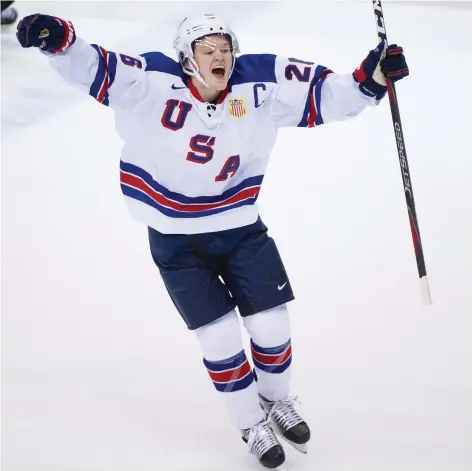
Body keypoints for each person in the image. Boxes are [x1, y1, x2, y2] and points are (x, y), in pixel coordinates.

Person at [15, 12, 409, 469]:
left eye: (225, 47)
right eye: (208, 49)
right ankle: (249, 422)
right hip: (176, 241)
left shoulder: (260, 80)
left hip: (240, 229)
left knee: (272, 325)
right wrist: (60, 42)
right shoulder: (150, 81)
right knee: (220, 338)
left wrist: (372, 78)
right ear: (187, 59)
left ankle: (277, 400)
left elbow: (324, 94)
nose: (220, 55)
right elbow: (96, 66)